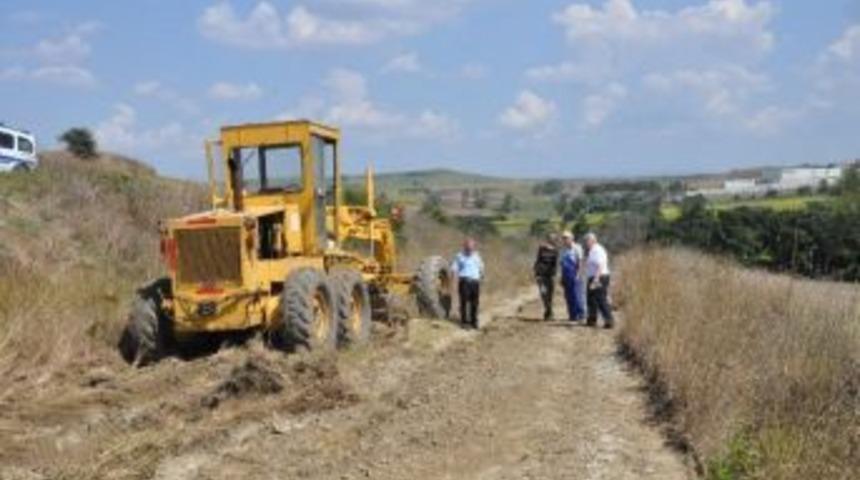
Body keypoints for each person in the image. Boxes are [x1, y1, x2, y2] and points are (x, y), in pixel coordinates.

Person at [451, 238, 484, 329]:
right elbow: (454, 268)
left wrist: (482, 277)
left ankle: (474, 322)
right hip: (465, 281)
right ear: (464, 247)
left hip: (475, 282)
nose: (470, 249)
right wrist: (453, 281)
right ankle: (464, 322)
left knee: (475, 303)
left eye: (472, 247)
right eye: (468, 247)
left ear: (474, 247)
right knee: (464, 302)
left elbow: (481, 267)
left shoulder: (477, 256)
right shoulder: (459, 256)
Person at [583, 232, 614, 329]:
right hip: (593, 277)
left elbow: (600, 265)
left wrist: (596, 279)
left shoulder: (597, 250)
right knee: (591, 299)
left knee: (600, 299)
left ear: (593, 240)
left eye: (587, 240)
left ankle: (609, 320)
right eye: (585, 241)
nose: (586, 243)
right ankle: (592, 319)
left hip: (599, 277)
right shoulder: (592, 250)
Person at [560, 231, 586, 322]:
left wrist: (578, 274)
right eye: (563, 238)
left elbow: (580, 262)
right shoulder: (563, 250)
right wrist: (562, 277)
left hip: (575, 274)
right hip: (566, 275)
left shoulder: (577, 248)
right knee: (568, 296)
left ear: (572, 238)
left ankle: (581, 315)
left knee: (577, 295)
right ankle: (572, 315)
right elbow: (562, 264)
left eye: (566, 238)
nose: (565, 240)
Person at [533, 233, 560, 321]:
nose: (552, 240)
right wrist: (536, 274)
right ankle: (549, 311)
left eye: (553, 238)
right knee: (544, 293)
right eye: (550, 238)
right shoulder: (541, 248)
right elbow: (538, 261)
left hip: (550, 276)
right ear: (547, 239)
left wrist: (555, 275)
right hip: (541, 275)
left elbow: (555, 264)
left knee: (550, 295)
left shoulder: (556, 251)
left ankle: (548, 313)